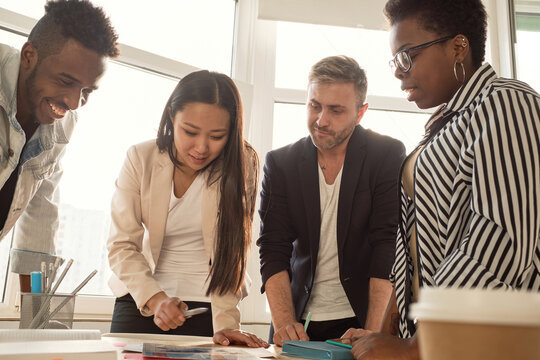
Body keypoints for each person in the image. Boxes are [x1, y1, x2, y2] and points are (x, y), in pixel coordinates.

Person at [350, 1, 540, 359]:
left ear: (458, 46)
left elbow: (499, 239)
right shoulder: (444, 126)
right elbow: (413, 253)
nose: (398, 72)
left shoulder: (506, 102)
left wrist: (420, 346)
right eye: (395, 61)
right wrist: (381, 337)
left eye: (407, 56)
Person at [107, 70, 268, 348]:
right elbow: (121, 245)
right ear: (172, 116)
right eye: (190, 132)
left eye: (217, 136)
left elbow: (234, 252)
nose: (201, 148)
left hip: (209, 311)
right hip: (142, 301)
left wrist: (228, 324)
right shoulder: (140, 158)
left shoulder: (241, 165)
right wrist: (156, 300)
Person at [257, 55, 406, 345]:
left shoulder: (385, 155)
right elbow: (273, 248)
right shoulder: (280, 163)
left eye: (336, 110)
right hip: (297, 321)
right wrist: (284, 323)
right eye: (314, 106)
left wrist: (374, 333)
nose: (321, 120)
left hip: (361, 320)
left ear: (360, 113)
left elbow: (386, 246)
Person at [0, 0, 119, 291]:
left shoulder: (61, 121)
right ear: (29, 55)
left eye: (87, 91)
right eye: (66, 81)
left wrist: (35, 317)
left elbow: (40, 215)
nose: (74, 102)